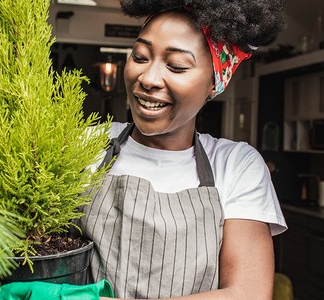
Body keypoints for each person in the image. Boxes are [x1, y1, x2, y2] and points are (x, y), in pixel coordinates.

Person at [78, 0, 289, 299]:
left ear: (215, 83)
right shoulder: (87, 145)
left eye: (176, 66)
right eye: (140, 57)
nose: (148, 79)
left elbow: (248, 293)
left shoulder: (235, 166)